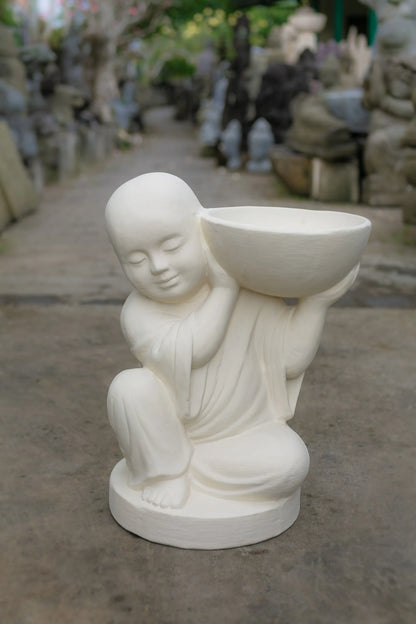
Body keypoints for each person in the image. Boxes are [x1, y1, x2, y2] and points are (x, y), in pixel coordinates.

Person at [105, 172, 357, 509]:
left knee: (291, 463)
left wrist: (316, 303)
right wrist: (224, 291)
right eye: (136, 260)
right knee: (130, 388)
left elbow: (289, 360)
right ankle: (166, 471)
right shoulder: (140, 311)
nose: (158, 266)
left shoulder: (250, 288)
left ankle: (195, 467)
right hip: (169, 432)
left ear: (203, 233)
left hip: (241, 437)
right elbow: (196, 348)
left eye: (172, 246)